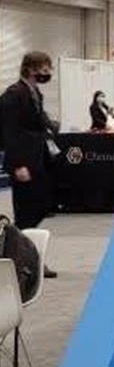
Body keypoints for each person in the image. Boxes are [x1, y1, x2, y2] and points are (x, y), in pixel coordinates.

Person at [0, 52, 60, 278]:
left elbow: (38, 121)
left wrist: (51, 126)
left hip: (38, 159)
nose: (47, 73)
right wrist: (17, 165)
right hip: (23, 162)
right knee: (26, 213)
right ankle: (24, 261)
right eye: (44, 68)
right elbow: (9, 134)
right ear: (30, 69)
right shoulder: (13, 96)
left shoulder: (35, 93)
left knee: (42, 206)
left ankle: (21, 257)